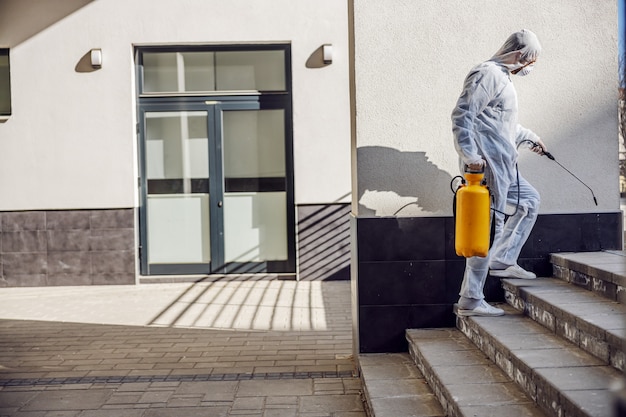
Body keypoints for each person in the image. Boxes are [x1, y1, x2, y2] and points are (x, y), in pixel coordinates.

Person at [451, 29, 547, 317]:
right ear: (519, 56)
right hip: (487, 168)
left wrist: (530, 138)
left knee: (529, 202)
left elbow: (502, 124)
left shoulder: (503, 79)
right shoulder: (487, 74)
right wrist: (470, 156)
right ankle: (470, 300)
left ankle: (503, 260)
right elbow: (462, 115)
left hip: (505, 167)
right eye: (530, 62)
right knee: (486, 230)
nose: (529, 68)